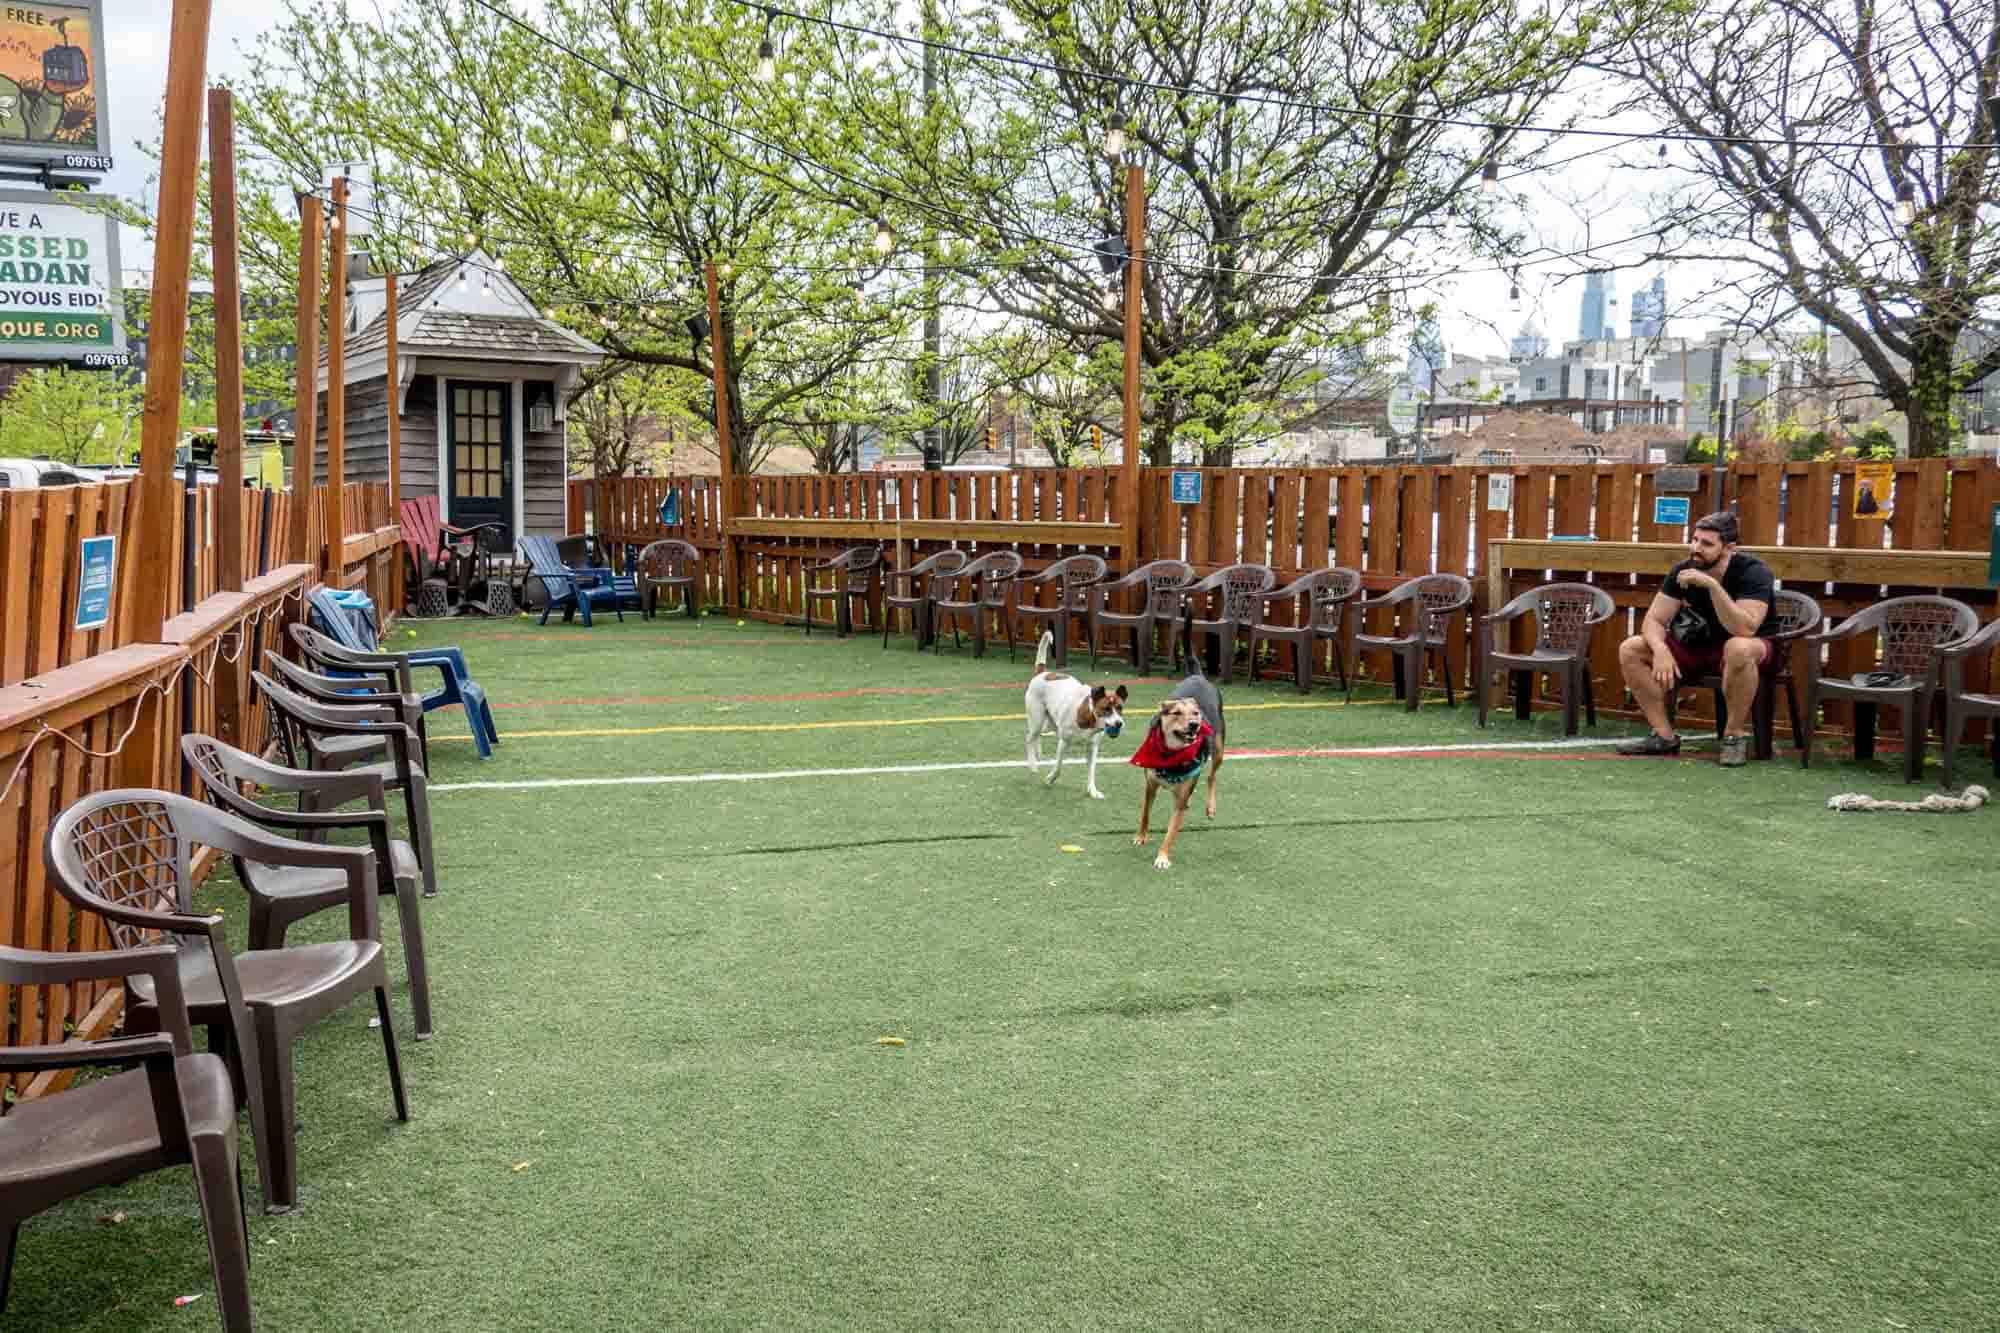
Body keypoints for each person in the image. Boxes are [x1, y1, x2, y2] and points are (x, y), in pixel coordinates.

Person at [1615, 510, 1778, 767]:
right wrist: (1660, 649)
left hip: (1751, 648)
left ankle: (1734, 737)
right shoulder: (1683, 570)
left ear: (1729, 548)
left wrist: (1713, 586)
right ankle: (1664, 737)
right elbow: (1654, 620)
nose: (1696, 548)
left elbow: (1745, 628)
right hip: (1697, 647)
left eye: (1706, 543)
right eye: (1694, 539)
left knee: (1738, 648)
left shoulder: (1753, 572)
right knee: (1631, 648)